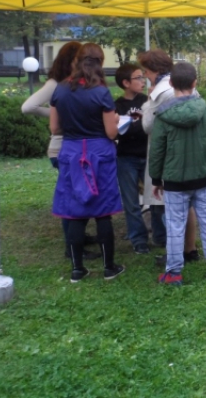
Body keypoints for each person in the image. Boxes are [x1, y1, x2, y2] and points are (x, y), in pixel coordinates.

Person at [50, 43, 125, 282]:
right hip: (98, 152)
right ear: (100, 63)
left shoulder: (60, 90)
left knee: (74, 211)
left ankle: (76, 269)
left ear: (76, 61)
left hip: (71, 151)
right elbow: (111, 133)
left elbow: (54, 127)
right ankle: (108, 267)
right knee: (102, 210)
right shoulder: (101, 92)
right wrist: (114, 119)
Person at [21, 42, 100, 260]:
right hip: (63, 148)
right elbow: (28, 107)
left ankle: (79, 238)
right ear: (72, 60)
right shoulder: (57, 84)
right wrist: (60, 114)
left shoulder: (77, 84)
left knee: (81, 194)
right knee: (73, 198)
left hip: (77, 148)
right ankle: (72, 247)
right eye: (81, 57)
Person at [151, 62, 206, 286]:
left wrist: (156, 179)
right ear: (195, 83)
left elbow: (157, 151)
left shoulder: (163, 116)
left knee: (175, 225)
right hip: (203, 178)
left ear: (171, 83)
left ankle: (174, 272)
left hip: (175, 182)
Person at [138, 50, 192, 262]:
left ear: (155, 70)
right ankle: (186, 249)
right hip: (185, 152)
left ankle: (175, 254)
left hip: (168, 154)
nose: (144, 75)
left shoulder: (161, 93)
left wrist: (147, 103)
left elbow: (147, 125)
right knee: (186, 205)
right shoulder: (179, 84)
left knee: (171, 208)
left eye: (146, 71)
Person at [113, 63, 154, 255]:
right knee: (131, 202)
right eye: (138, 78)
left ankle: (160, 235)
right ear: (126, 83)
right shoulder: (117, 106)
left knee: (154, 198)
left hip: (148, 155)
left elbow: (149, 126)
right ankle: (139, 240)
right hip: (126, 158)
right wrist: (139, 127)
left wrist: (132, 128)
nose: (142, 81)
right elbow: (119, 132)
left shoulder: (147, 100)